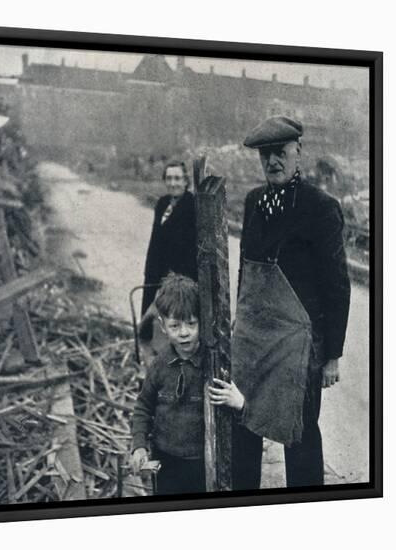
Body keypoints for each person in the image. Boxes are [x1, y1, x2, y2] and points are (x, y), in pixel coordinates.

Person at [231, 116, 351, 490]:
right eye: (266, 155)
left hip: (300, 347)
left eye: (281, 153)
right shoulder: (253, 202)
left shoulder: (320, 207)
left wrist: (331, 354)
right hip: (254, 342)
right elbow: (245, 272)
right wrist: (240, 323)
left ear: (298, 152)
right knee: (244, 423)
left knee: (298, 434)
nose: (273, 162)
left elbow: (337, 284)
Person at [130, 273, 245, 495]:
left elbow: (242, 417)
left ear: (202, 321)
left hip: (204, 462)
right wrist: (139, 445)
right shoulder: (159, 365)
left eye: (191, 324)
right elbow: (143, 407)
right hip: (165, 460)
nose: (184, 333)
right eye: (175, 326)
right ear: (163, 327)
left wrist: (238, 403)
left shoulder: (216, 366)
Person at [139, 161, 197, 346]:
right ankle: (148, 359)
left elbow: (190, 249)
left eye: (178, 178)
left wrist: (173, 279)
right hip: (155, 271)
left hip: (178, 277)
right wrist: (150, 271)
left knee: (175, 321)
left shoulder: (193, 206)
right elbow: (155, 240)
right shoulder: (162, 203)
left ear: (186, 181)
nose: (173, 183)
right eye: (169, 178)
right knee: (147, 324)